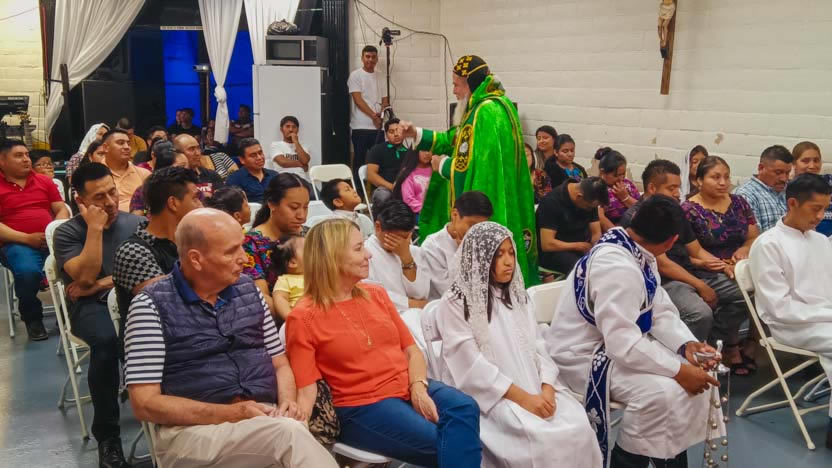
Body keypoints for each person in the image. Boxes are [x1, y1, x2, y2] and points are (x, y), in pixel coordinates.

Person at [124, 208, 337, 468]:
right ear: (196, 259)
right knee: (290, 435)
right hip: (191, 431)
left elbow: (279, 362)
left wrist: (288, 402)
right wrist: (232, 413)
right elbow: (145, 403)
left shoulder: (249, 291)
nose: (244, 259)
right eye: (231, 251)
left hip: (264, 417)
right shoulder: (150, 306)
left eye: (242, 247)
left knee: (292, 428)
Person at [545, 195, 723, 468]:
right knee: (662, 393)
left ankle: (670, 460)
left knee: (694, 378)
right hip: (583, 356)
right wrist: (679, 371)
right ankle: (626, 461)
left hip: (613, 343)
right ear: (671, 242)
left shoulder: (632, 247)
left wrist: (685, 344)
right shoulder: (618, 267)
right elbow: (621, 344)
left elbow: (657, 307)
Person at [286, 218, 482, 466]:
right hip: (362, 405)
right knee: (445, 442)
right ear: (332, 257)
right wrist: (299, 427)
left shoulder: (376, 294)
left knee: (465, 407)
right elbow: (307, 388)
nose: (368, 254)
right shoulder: (303, 317)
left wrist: (418, 387)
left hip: (407, 385)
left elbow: (411, 351)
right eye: (358, 248)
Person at [436, 221, 603, 468]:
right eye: (499, 255)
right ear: (480, 258)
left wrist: (547, 388)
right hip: (493, 398)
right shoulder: (456, 302)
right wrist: (524, 399)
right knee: (543, 440)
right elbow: (470, 366)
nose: (508, 262)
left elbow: (539, 345)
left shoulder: (517, 296)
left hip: (535, 387)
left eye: (511, 253)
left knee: (578, 427)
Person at [400, 55, 538, 286]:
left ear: (470, 83)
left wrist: (442, 165)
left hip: (491, 198)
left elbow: (478, 167)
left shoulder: (485, 112)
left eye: (456, 84)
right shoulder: (498, 105)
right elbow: (454, 139)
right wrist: (416, 133)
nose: (454, 91)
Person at [53, 162, 143, 467]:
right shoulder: (67, 233)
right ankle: (108, 438)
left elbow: (154, 270)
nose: (110, 202)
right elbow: (85, 279)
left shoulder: (136, 224)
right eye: (99, 198)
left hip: (133, 298)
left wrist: (106, 281)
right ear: (80, 200)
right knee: (106, 343)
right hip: (91, 307)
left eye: (112, 193)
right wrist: (94, 228)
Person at [621, 160, 747, 347]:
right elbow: (662, 264)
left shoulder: (674, 211)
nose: (677, 193)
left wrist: (723, 266)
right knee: (699, 314)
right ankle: (683, 354)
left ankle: (717, 343)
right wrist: (700, 286)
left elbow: (696, 250)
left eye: (678, 188)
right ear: (652, 188)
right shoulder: (637, 217)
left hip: (691, 272)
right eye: (671, 188)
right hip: (666, 281)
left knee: (745, 291)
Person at [749, 173, 832, 450]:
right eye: (815, 208)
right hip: (791, 325)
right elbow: (779, 308)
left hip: (822, 318)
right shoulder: (768, 245)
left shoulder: (820, 241)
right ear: (793, 203)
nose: (820, 216)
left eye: (825, 208)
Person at [683, 156, 759, 373]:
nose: (723, 182)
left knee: (763, 289)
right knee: (747, 293)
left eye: (726, 177)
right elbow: (693, 250)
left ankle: (728, 341)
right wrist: (723, 266)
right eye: (715, 177)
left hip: (740, 266)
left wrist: (744, 249)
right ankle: (724, 341)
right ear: (699, 181)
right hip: (706, 269)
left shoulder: (739, 203)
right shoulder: (688, 209)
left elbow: (753, 236)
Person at [113, 167, 202, 332]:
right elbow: (167, 303)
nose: (201, 205)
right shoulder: (132, 251)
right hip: (158, 339)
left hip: (200, 332)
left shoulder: (194, 240)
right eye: (195, 199)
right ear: (173, 203)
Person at [0, 140, 70, 340]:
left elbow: (61, 208)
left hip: (51, 240)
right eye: (18, 155)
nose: (26, 159)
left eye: (26, 155)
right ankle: (32, 318)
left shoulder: (43, 181)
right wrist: (27, 238)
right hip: (16, 243)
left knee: (75, 266)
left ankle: (68, 315)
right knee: (28, 272)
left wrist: (53, 231)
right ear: (2, 161)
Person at [244, 173, 310, 314]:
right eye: (294, 207)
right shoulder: (251, 243)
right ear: (272, 204)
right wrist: (294, 318)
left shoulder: (310, 235)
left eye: (305, 207)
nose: (302, 216)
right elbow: (262, 298)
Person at [422, 191, 493, 300]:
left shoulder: (483, 241)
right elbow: (449, 293)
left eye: (481, 227)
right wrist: (463, 253)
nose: (476, 233)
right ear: (454, 214)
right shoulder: (432, 246)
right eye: (472, 225)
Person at [365, 199, 429, 311]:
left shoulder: (415, 251)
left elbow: (421, 295)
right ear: (378, 227)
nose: (401, 243)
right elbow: (372, 293)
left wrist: (406, 258)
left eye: (405, 237)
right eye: (395, 237)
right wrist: (411, 303)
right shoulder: (365, 254)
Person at [536, 177, 607, 275]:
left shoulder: (591, 199)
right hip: (556, 250)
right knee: (585, 270)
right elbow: (547, 244)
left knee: (606, 262)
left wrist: (595, 247)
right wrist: (578, 246)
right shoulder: (551, 202)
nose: (590, 210)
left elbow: (596, 232)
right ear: (579, 197)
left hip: (582, 245)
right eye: (588, 207)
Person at [349, 45, 388, 199]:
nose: (370, 60)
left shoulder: (381, 76)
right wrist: (373, 116)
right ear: (362, 58)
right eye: (367, 57)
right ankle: (359, 193)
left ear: (377, 59)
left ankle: (378, 194)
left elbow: (385, 100)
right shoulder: (355, 76)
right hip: (360, 126)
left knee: (379, 161)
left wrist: (381, 116)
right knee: (359, 160)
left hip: (378, 128)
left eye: (373, 57)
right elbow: (358, 100)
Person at [734, 144, 793, 233]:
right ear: (761, 168)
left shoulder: (791, 189)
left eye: (787, 173)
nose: (784, 179)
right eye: (778, 172)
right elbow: (753, 238)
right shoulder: (745, 195)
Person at [100, 128, 151, 212]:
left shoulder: (144, 174)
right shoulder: (94, 175)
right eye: (120, 143)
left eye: (128, 143)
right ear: (106, 147)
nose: (127, 147)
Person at [129, 149, 190, 216]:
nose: (187, 170)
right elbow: (136, 218)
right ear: (164, 168)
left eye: (188, 166)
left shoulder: (191, 188)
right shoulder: (145, 190)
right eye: (182, 166)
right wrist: (146, 211)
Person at [792, 141, 832, 236]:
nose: (812, 166)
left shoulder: (829, 182)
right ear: (794, 163)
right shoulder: (787, 188)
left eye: (816, 160)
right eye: (805, 161)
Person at [596, 147, 640, 229]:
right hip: (612, 229)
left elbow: (641, 209)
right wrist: (618, 233)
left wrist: (625, 197)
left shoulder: (628, 184)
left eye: (623, 174)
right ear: (602, 172)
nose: (621, 178)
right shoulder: (598, 189)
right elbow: (600, 217)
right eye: (616, 175)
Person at [227, 138, 279, 204]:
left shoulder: (274, 175)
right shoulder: (234, 179)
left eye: (260, 153)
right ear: (242, 160)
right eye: (253, 155)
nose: (259, 158)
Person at [366, 118, 407, 194]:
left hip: (404, 190)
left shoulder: (409, 153)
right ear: (386, 135)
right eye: (391, 132)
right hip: (383, 189)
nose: (396, 134)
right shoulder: (377, 149)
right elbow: (371, 175)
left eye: (398, 130)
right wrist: (392, 187)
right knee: (383, 194)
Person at [270, 234, 305, 322]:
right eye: (308, 249)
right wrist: (290, 319)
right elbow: (280, 299)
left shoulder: (319, 275)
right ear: (293, 262)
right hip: (301, 321)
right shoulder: (285, 280)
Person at [393, 149, 433, 217]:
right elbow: (408, 199)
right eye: (423, 150)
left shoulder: (436, 169)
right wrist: (425, 210)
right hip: (417, 213)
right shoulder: (409, 172)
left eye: (430, 150)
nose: (427, 153)